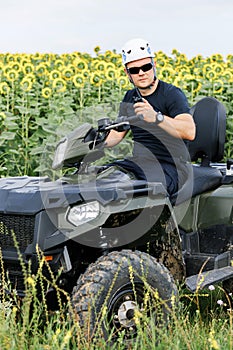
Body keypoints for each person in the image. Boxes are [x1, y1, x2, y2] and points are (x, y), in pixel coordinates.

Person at [105, 38, 196, 197]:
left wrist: (156, 117)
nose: (141, 73)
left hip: (171, 166)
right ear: (127, 73)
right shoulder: (130, 97)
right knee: (103, 179)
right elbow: (117, 134)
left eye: (146, 67)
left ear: (153, 66)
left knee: (136, 193)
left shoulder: (171, 94)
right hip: (139, 164)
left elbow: (189, 131)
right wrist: (93, 142)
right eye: (134, 70)